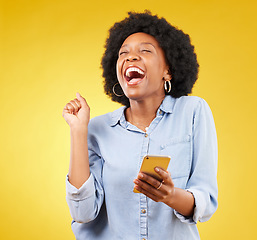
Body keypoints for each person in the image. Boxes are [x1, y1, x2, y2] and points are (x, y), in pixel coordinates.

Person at [62, 11, 218, 240]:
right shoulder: (96, 129)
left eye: (145, 50)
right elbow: (83, 213)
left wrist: (169, 195)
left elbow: (205, 202)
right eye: (123, 53)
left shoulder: (193, 112)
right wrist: (78, 130)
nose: (130, 57)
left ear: (168, 70)